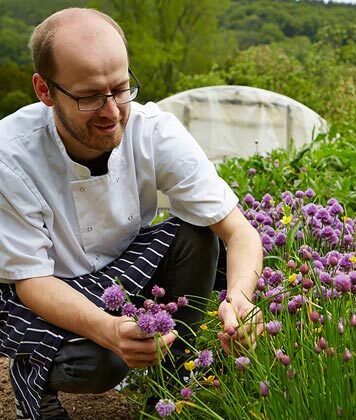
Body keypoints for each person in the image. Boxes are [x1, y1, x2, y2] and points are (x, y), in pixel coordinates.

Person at [0, 7, 263, 420]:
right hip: (39, 287)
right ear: (45, 90)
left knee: (199, 233)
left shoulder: (153, 130)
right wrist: (109, 332)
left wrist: (241, 300)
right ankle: (38, 381)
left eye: (120, 89)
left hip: (119, 269)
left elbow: (239, 232)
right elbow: (32, 280)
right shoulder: (9, 156)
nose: (111, 111)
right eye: (89, 97)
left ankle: (174, 388)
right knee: (101, 362)